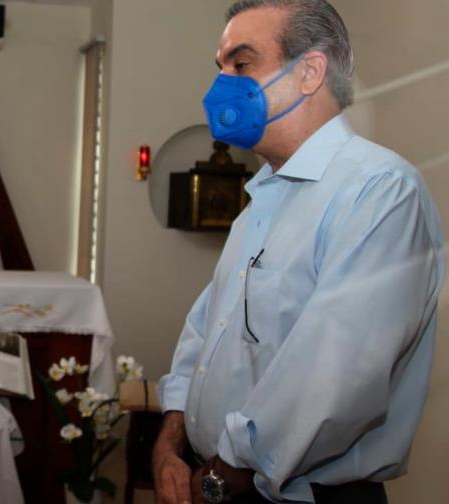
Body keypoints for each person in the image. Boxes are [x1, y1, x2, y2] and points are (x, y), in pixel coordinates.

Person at [153, 2, 444, 504]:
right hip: (217, 480)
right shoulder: (262, 199)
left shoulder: (379, 191)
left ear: (309, 72)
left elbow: (331, 380)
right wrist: (169, 444)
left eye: (242, 64)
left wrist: (216, 481)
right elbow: (206, 333)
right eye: (220, 67)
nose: (221, 84)